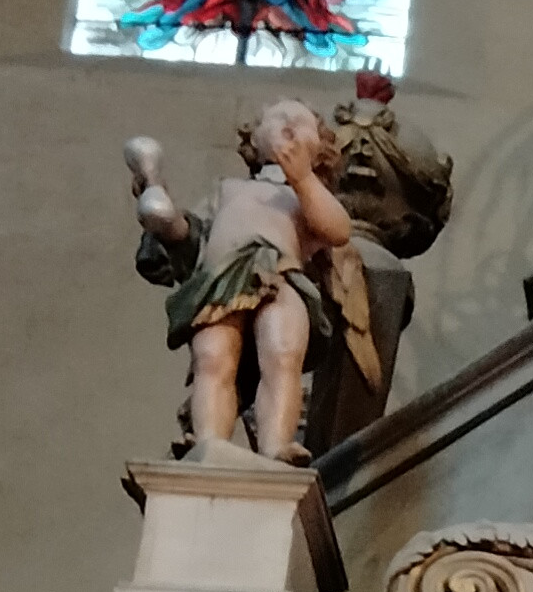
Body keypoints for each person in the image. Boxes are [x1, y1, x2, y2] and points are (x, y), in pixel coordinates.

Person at [124, 102, 365, 463]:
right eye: (277, 118)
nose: (288, 125)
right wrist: (166, 219)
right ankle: (209, 443)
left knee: (282, 355)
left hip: (280, 279)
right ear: (255, 138)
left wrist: (302, 178)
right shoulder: (228, 189)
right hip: (222, 279)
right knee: (212, 358)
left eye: (301, 124)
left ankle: (276, 445)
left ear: (322, 149)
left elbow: (338, 230)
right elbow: (194, 237)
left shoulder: (305, 194)